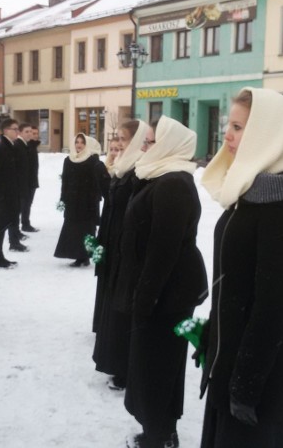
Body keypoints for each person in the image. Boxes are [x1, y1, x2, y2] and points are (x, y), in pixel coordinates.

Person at [198, 88, 283, 448]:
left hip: (258, 375)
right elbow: (237, 281)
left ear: (269, 134)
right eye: (228, 125)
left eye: (237, 127)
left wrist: (246, 386)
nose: (227, 136)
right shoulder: (250, 187)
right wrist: (213, 334)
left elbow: (273, 306)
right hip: (232, 355)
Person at [116, 116, 207, 448]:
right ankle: (160, 429)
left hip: (166, 294)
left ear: (169, 145)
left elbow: (162, 251)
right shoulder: (160, 175)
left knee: (158, 366)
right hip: (160, 290)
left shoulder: (173, 183)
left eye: (150, 141)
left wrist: (145, 298)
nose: (143, 146)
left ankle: (159, 436)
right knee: (155, 363)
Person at [92, 119, 147, 392]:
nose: (119, 145)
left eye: (124, 139)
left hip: (124, 246)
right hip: (113, 241)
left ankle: (122, 366)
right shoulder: (124, 166)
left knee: (122, 308)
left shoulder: (138, 170)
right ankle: (113, 360)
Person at [54, 133, 105, 267]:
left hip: (87, 202)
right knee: (73, 229)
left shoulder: (92, 161)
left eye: (82, 142)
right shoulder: (68, 160)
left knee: (87, 229)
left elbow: (96, 183)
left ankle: (86, 256)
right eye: (77, 142)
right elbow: (65, 182)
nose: (79, 145)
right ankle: (77, 255)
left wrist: (94, 200)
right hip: (72, 201)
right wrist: (63, 199)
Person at [0, 118, 24, 267]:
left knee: (4, 225)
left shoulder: (11, 147)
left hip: (10, 195)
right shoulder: (3, 149)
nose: (17, 132)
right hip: (5, 197)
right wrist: (0, 191)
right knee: (1, 227)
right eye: (15, 129)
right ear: (6, 131)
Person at [21, 123, 40, 233]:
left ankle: (25, 222)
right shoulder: (27, 147)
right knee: (25, 203)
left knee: (28, 203)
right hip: (27, 182)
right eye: (33, 133)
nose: (35, 135)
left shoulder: (32, 146)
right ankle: (25, 224)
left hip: (32, 180)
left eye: (36, 133)